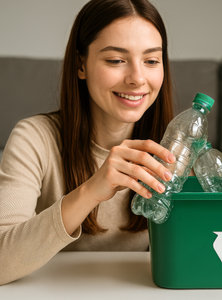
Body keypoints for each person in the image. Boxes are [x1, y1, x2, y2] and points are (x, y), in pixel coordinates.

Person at [0, 0, 176, 285]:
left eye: (152, 60)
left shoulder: (173, 149)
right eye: (116, 60)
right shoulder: (34, 138)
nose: (137, 78)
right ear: (81, 64)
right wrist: (92, 190)